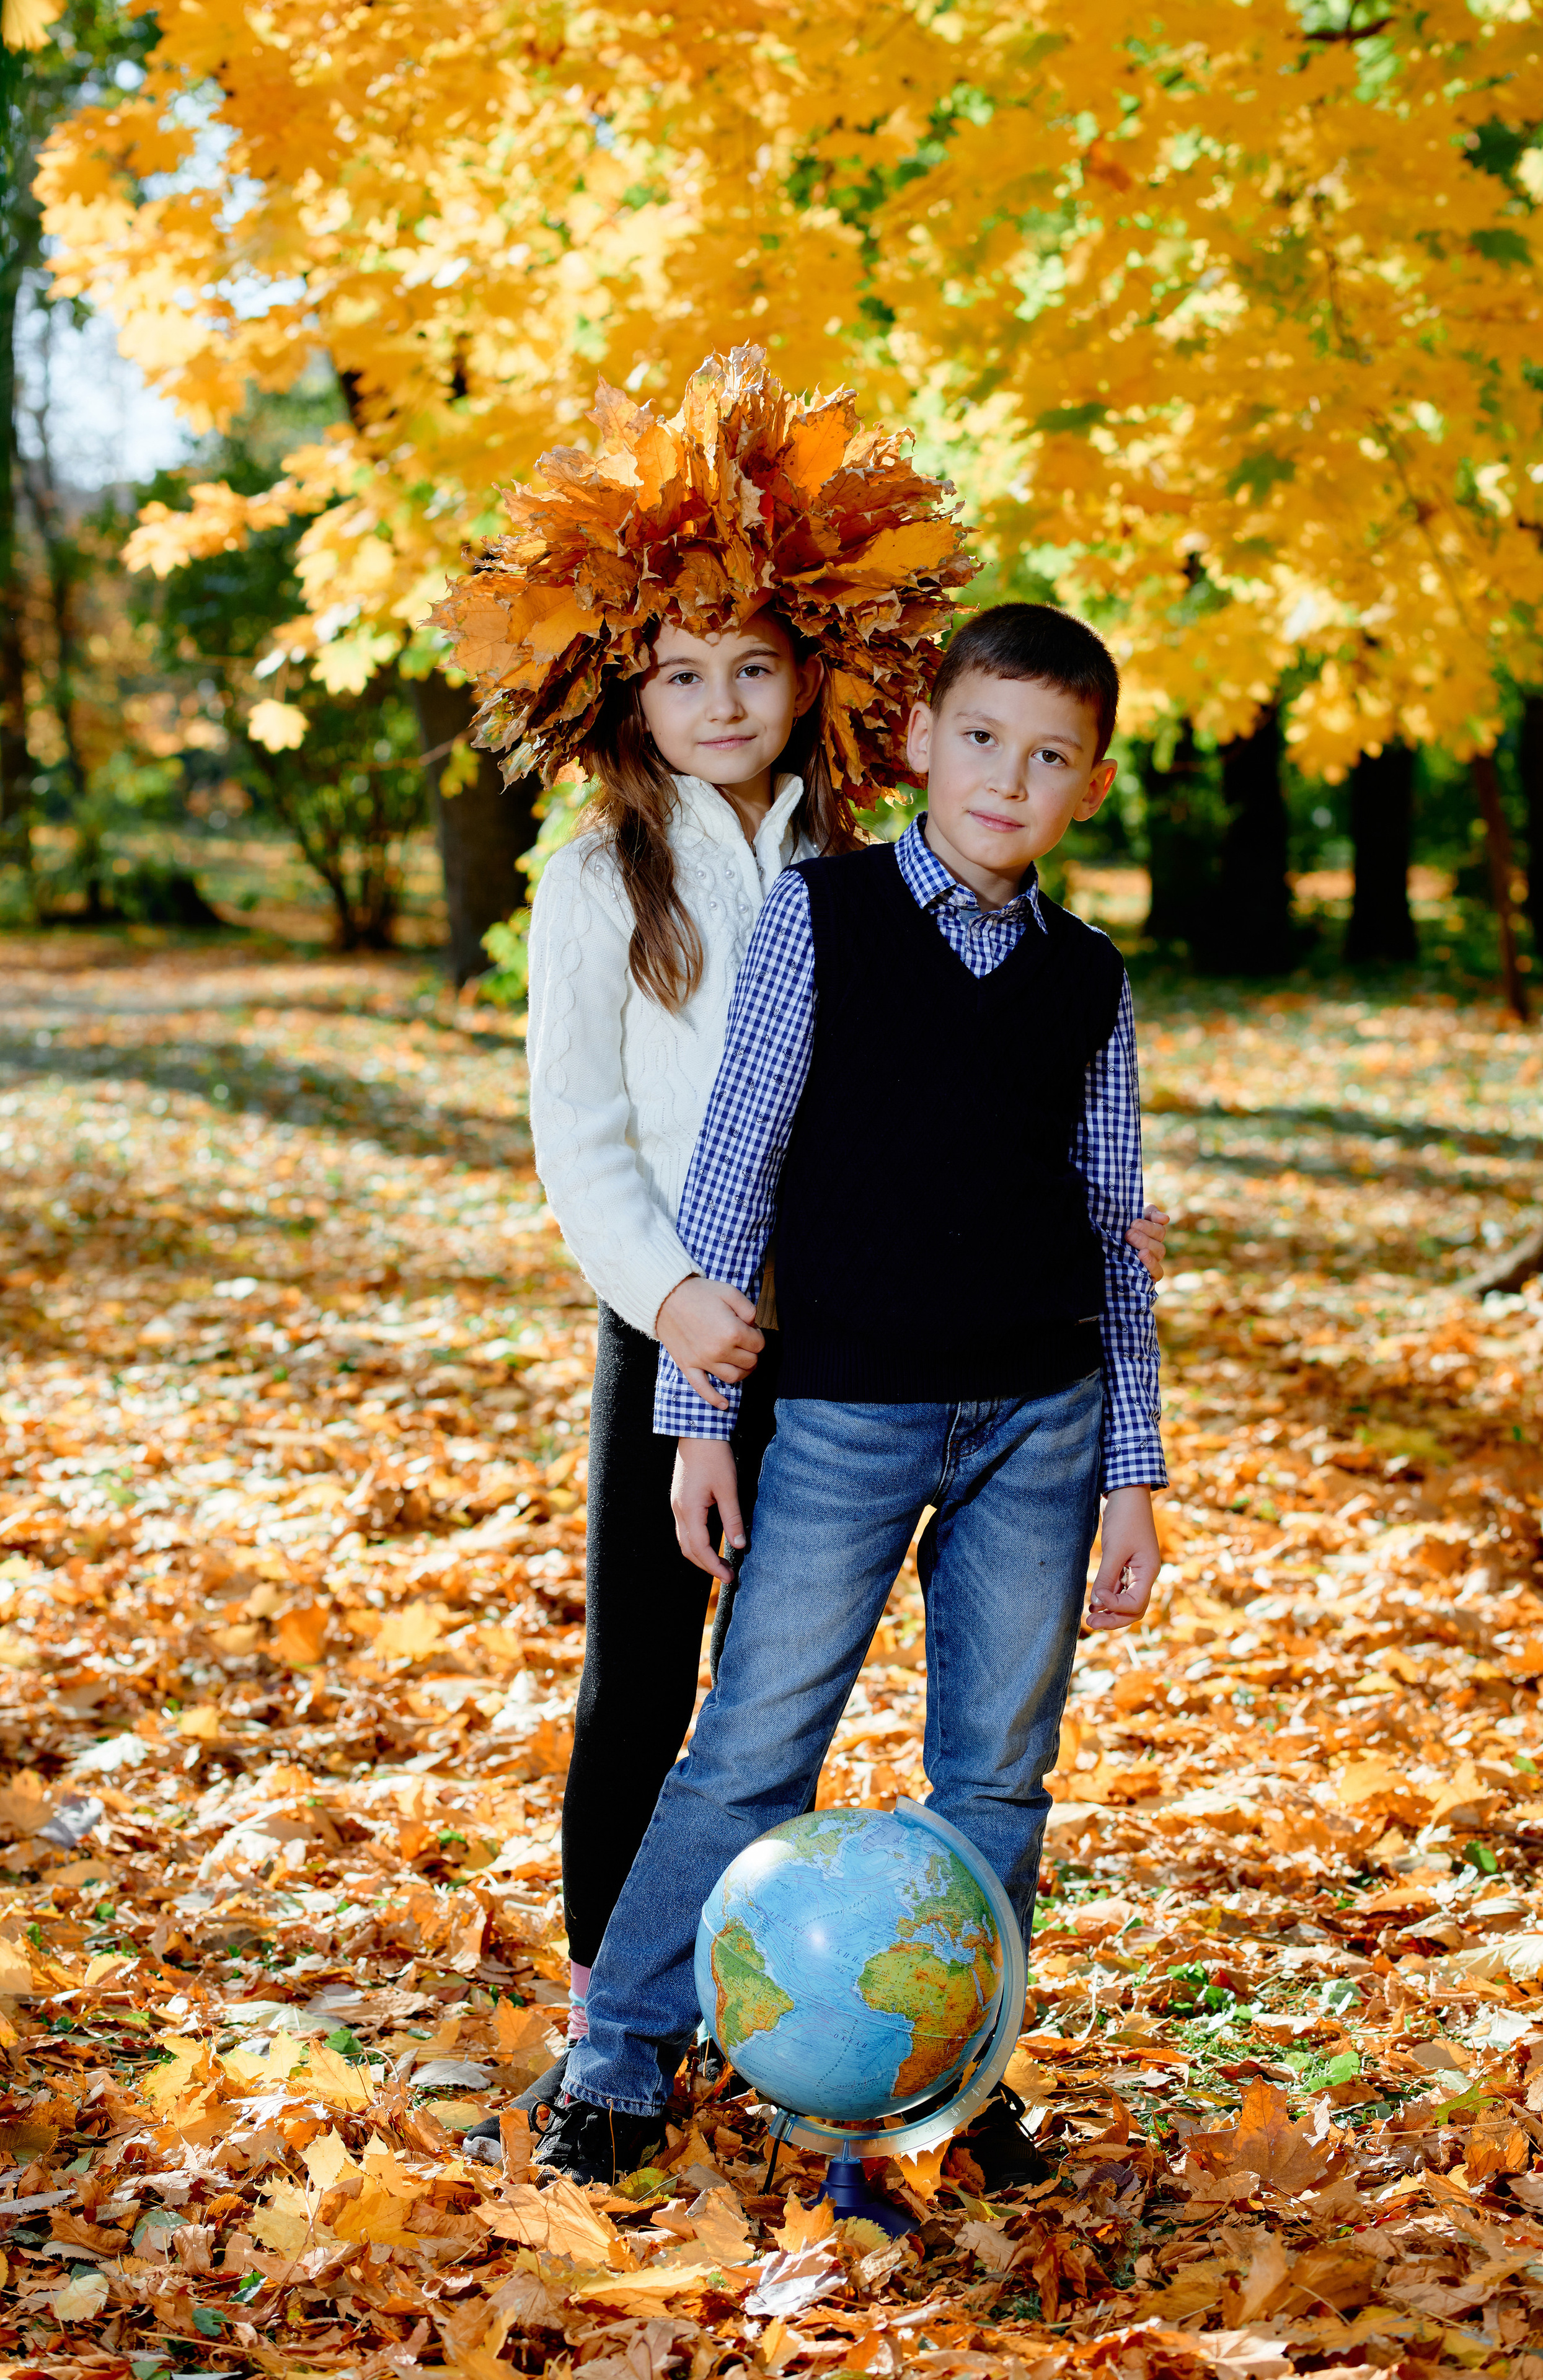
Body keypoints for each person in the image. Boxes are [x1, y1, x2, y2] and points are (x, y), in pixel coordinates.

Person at [433, 355, 1168, 2154]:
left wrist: (1128, 1404)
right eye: (684, 673)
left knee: (958, 1743)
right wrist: (684, 1334)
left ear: (827, 687)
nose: (723, 699)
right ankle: (626, 2022)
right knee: (682, 1694)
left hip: (926, 1353)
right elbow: (625, 1142)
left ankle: (908, 2027)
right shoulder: (613, 874)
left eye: (755, 666)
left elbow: (1054, 1158)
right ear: (634, 688)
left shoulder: (885, 853)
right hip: (694, 1318)